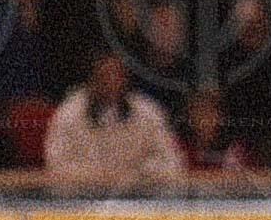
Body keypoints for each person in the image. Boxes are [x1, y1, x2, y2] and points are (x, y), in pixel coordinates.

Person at [44, 50, 183, 185]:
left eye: (116, 75)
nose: (111, 82)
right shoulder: (69, 113)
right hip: (83, 199)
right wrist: (98, 176)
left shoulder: (147, 112)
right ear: (92, 79)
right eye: (104, 75)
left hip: (135, 198)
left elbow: (171, 161)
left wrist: (137, 175)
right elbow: (56, 164)